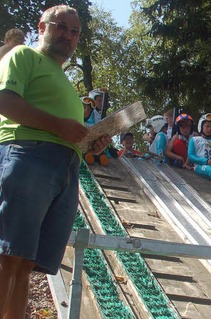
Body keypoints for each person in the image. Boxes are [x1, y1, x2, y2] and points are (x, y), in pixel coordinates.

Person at [0, 6, 110, 317]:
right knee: (8, 253)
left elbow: (69, 132)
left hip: (65, 168)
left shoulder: (66, 84)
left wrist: (92, 140)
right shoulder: (23, 55)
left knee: (25, 261)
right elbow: (5, 101)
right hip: (29, 154)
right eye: (61, 27)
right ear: (42, 26)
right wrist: (57, 126)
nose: (69, 36)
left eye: (75, 32)